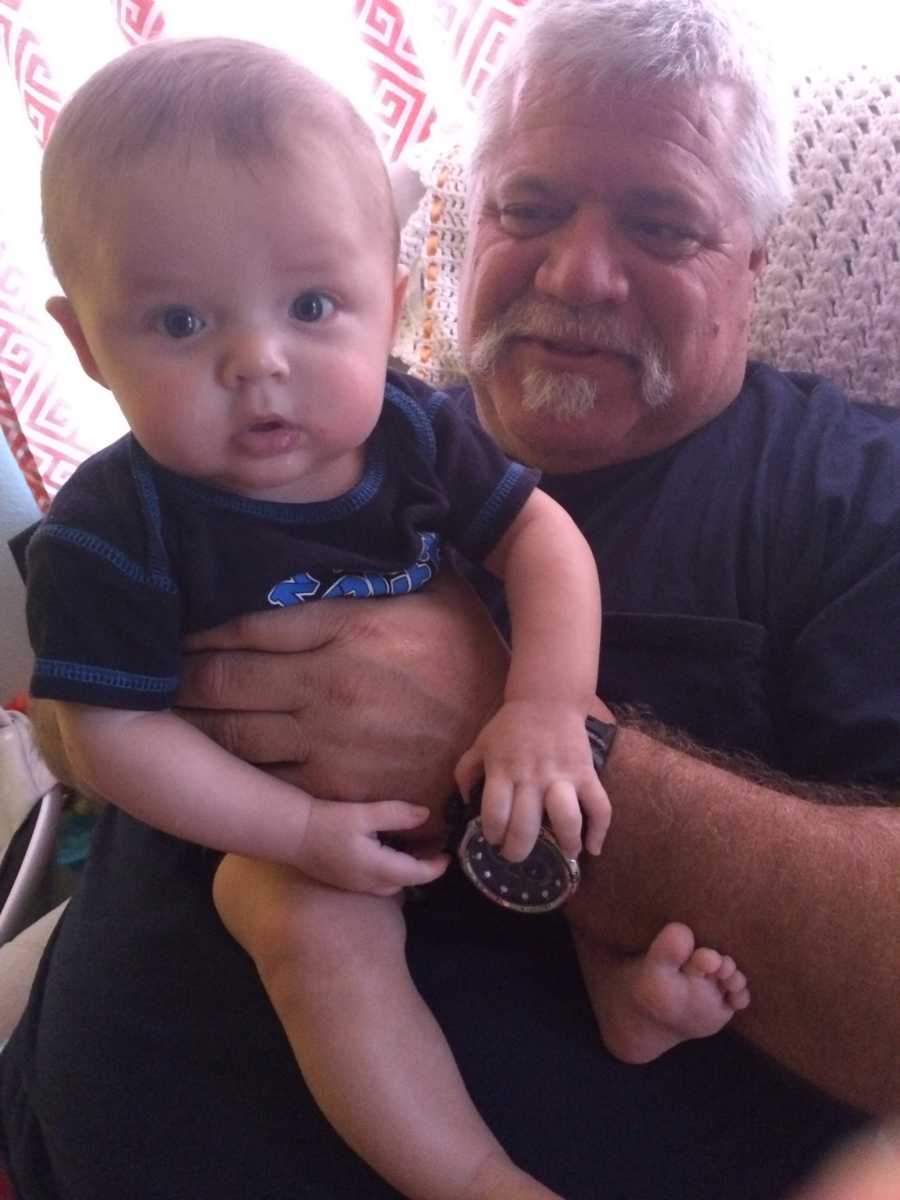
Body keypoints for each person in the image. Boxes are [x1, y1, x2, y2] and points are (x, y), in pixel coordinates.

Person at [2, 0, 899, 1197]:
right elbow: (85, 711)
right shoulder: (337, 422)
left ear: (757, 262)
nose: (577, 270)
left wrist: (511, 725)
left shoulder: (855, 500)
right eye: (527, 208)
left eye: (662, 222)